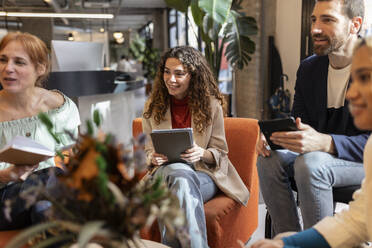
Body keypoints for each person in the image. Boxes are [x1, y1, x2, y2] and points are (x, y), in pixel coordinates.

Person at [256, 0, 369, 236]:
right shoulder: (309, 68)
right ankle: (289, 239)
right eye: (314, 20)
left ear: (354, 25)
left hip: (363, 162)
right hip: (322, 159)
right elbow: (300, 122)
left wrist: (327, 143)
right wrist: (277, 138)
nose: (316, 29)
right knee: (269, 159)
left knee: (311, 164)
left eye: (327, 20)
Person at [142, 46, 249, 248]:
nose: (170, 79)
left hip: (203, 174)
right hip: (162, 174)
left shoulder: (212, 105)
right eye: (167, 71)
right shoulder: (152, 106)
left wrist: (202, 153)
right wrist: (152, 158)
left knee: (180, 181)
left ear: (193, 75)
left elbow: (220, 152)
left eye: (179, 74)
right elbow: (148, 151)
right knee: (178, 173)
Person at [0, 32, 80, 230]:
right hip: (4, 202)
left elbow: (71, 152)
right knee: (50, 177)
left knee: (44, 207)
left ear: (40, 68)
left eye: (19, 62)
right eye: (2, 59)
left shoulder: (59, 107)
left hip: (46, 196)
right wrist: (6, 175)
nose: (7, 68)